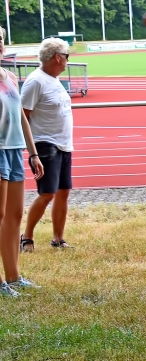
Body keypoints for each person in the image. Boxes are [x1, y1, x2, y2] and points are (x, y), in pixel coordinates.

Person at [0, 25, 44, 297]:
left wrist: (33, 152)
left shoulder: (10, 77)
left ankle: (13, 277)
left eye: (0, 39)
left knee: (14, 215)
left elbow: (21, 118)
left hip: (14, 150)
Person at [20, 38, 74, 252]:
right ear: (58, 57)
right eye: (67, 56)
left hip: (63, 145)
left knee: (63, 192)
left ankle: (58, 239)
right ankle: (27, 237)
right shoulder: (36, 81)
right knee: (47, 193)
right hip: (45, 146)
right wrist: (33, 152)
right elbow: (23, 116)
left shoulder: (54, 79)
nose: (68, 60)